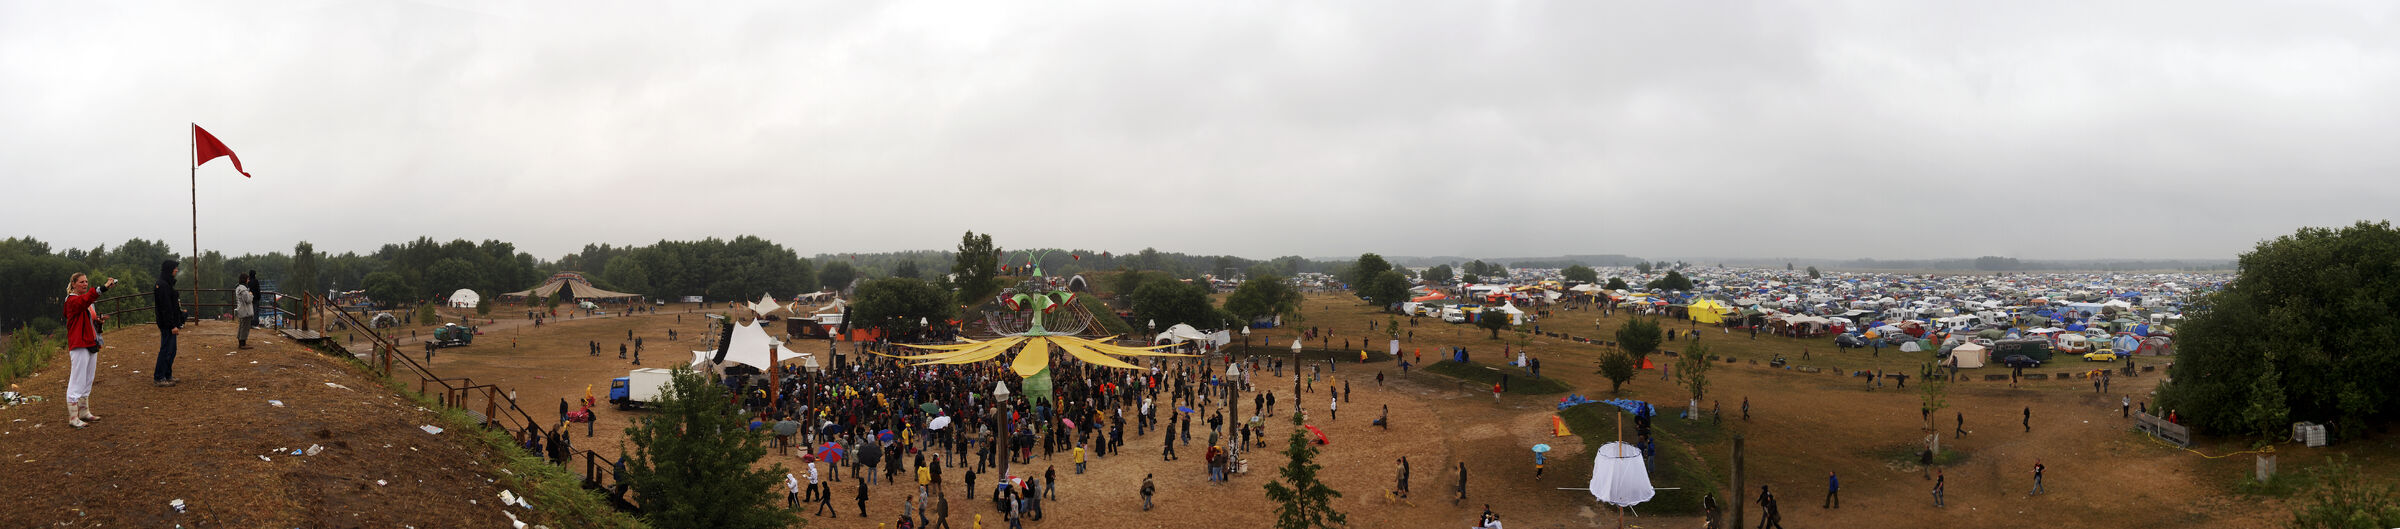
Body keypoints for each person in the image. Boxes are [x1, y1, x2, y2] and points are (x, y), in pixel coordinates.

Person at [63, 273, 116, 428]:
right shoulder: (71, 301)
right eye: (81, 282)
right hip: (79, 343)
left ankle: (84, 411)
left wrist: (98, 322)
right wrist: (103, 288)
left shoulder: (86, 302)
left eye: (86, 282)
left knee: (88, 378)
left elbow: (87, 314)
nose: (85, 284)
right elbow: (84, 300)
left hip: (90, 341)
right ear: (73, 284)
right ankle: (73, 417)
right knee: (77, 379)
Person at [152, 260, 188, 387]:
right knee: (166, 350)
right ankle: (159, 377)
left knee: (171, 350)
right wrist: (172, 325)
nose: (177, 270)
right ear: (169, 269)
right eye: (175, 268)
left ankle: (167, 374)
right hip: (167, 324)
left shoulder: (166, 283)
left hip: (169, 323)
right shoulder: (163, 285)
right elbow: (165, 308)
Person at [233, 272, 255, 349]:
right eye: (248, 279)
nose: (248, 281)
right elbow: (248, 300)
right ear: (245, 279)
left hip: (241, 310)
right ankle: (243, 344)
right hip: (246, 311)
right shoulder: (243, 290)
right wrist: (251, 294)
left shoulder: (239, 288)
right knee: (245, 327)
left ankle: (241, 342)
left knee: (242, 326)